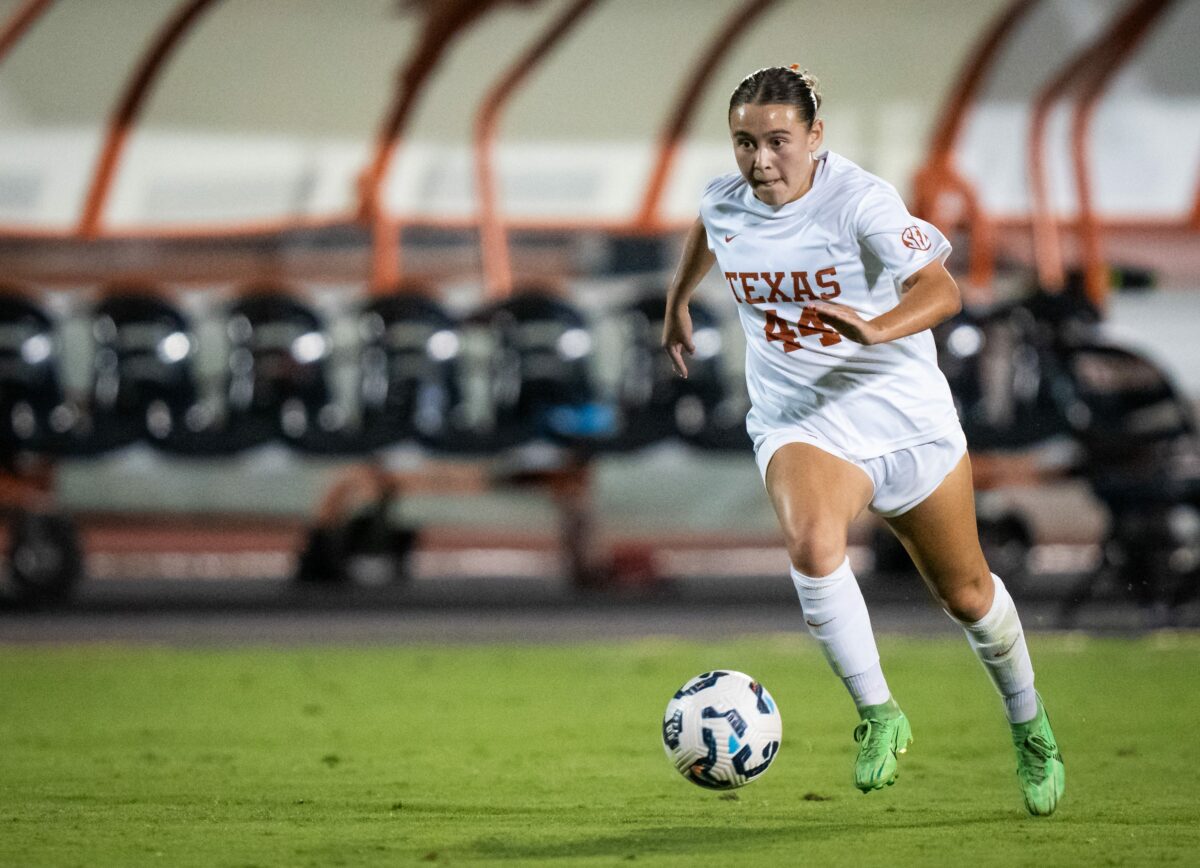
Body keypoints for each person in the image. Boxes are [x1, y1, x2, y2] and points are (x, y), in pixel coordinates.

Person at [661, 65, 1064, 816]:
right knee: (814, 546)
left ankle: (1029, 721)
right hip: (801, 421)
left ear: (816, 136)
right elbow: (708, 230)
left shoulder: (860, 202)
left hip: (905, 418)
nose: (760, 161)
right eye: (744, 143)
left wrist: (875, 327)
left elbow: (941, 288)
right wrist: (677, 300)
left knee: (967, 594)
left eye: (778, 141)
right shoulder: (727, 199)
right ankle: (879, 713)